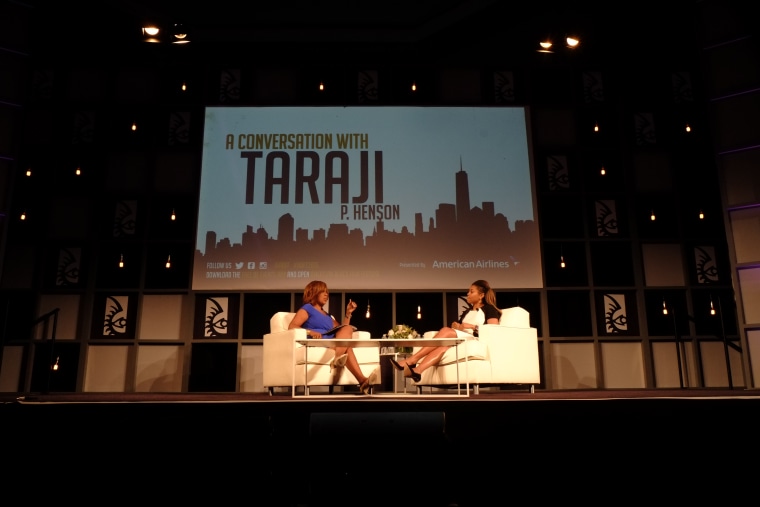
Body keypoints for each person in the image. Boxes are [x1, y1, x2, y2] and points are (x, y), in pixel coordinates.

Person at [390, 279, 501, 382]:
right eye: (468, 291)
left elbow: (493, 330)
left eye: (471, 292)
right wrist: (457, 326)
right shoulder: (467, 311)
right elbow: (461, 327)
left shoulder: (489, 309)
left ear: (481, 295)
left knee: (445, 330)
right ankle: (418, 371)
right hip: (461, 339)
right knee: (443, 346)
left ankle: (411, 360)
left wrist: (472, 327)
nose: (468, 294)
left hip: (474, 339)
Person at [288, 280, 378, 394]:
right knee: (347, 346)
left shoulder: (328, 315)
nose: (327, 295)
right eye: (323, 292)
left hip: (332, 343)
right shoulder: (307, 308)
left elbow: (342, 329)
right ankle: (360, 378)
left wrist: (348, 313)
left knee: (347, 329)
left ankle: (358, 377)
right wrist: (310, 332)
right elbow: (292, 327)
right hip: (319, 342)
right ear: (314, 292)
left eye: (327, 292)